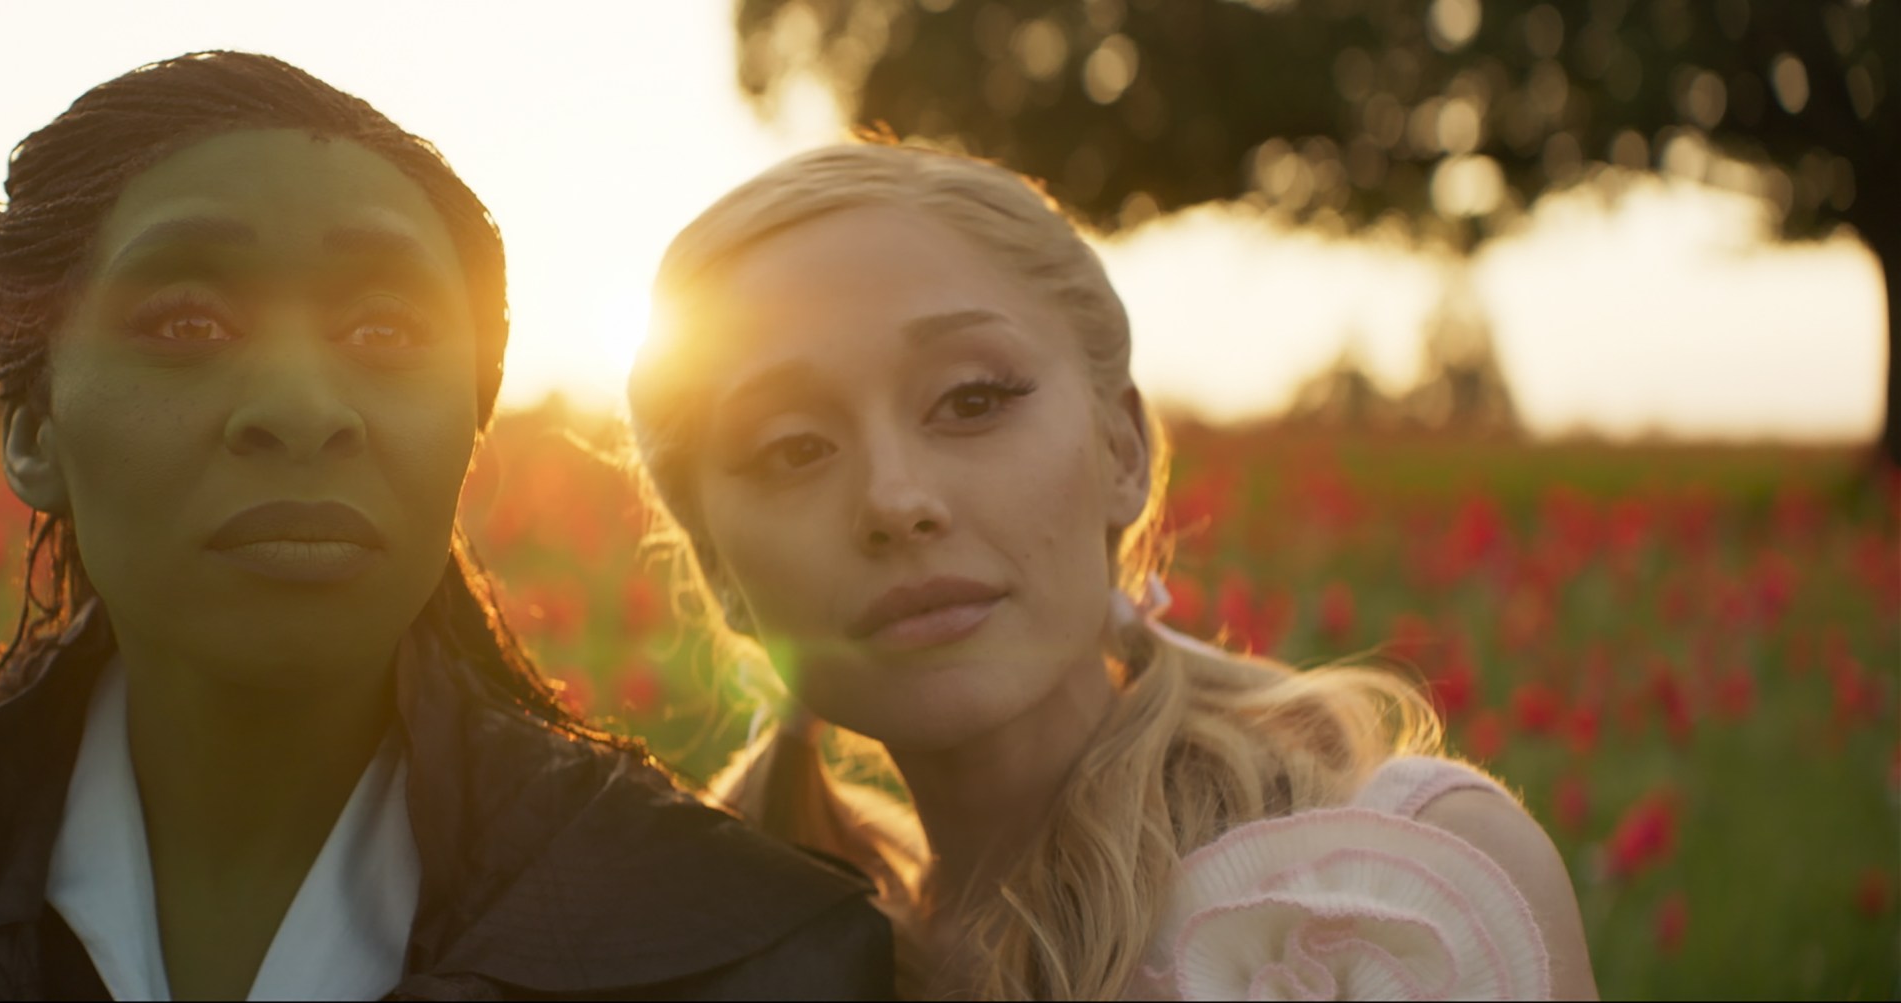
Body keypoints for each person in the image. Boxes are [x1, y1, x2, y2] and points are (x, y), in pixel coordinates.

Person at [0, 52, 890, 1001]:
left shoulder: (744, 947)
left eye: (385, 332)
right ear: (33, 427)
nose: (298, 407)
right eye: (189, 324)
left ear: (469, 424)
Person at [626, 142, 1597, 1000]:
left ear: (1124, 450)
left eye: (972, 399)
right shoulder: (720, 961)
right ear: (720, 573)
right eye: (793, 448)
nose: (894, 499)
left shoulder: (1392, 896)